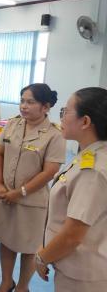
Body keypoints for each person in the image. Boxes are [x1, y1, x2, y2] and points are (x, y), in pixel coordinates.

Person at [0, 83, 66, 292]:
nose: (23, 106)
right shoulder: (13, 124)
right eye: (22, 101)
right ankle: (7, 281)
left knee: (28, 245)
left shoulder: (54, 135)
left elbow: (49, 171)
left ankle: (23, 286)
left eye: (30, 102)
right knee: (6, 239)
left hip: (31, 201)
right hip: (5, 195)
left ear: (46, 107)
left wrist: (21, 192)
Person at [36, 87, 107, 292]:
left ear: (85, 122)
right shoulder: (90, 155)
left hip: (83, 275)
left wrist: (42, 258)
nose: (62, 118)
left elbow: (73, 235)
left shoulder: (92, 170)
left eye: (65, 112)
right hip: (79, 265)